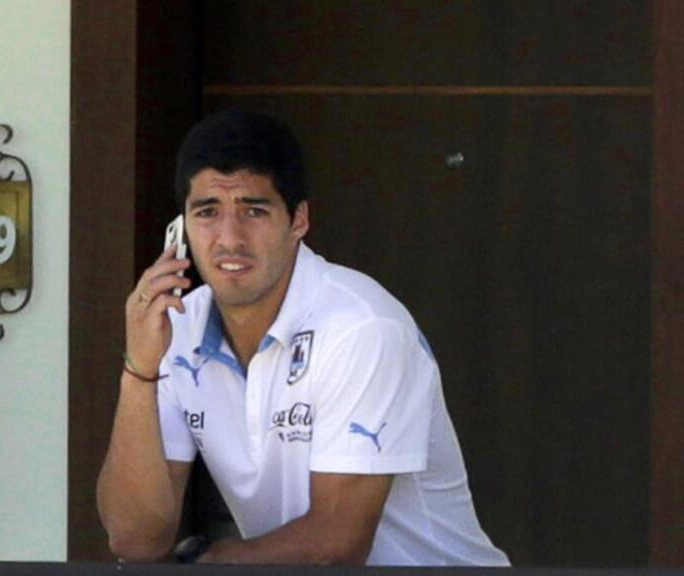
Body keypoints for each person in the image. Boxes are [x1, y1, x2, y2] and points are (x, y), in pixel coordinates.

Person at [96, 109, 509, 566]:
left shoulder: (362, 328)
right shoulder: (178, 327)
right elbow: (135, 540)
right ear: (181, 231)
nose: (229, 238)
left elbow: (337, 544)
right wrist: (140, 370)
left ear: (298, 221)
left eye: (254, 210)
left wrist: (211, 563)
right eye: (208, 212)